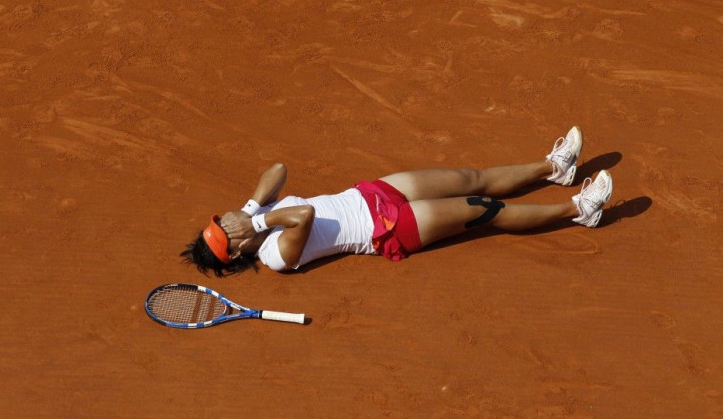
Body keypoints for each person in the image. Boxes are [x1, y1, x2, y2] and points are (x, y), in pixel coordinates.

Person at [180, 127, 613, 276]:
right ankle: (579, 210)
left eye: (223, 220)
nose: (230, 219)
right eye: (225, 230)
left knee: (470, 175)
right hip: (389, 229)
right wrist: (256, 226)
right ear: (236, 250)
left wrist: (253, 209)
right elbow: (304, 214)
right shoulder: (275, 255)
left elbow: (278, 169)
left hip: (372, 194)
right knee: (484, 209)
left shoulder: (256, 217)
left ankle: (553, 168)